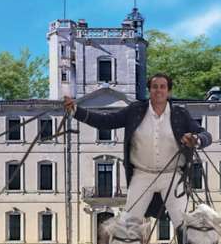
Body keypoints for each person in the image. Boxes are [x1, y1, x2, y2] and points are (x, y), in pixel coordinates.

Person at [64, 73, 211, 227]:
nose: (158, 90)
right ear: (149, 90)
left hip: (172, 176)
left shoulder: (181, 114)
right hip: (142, 175)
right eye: (154, 87)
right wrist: (76, 111)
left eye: (162, 87)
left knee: (184, 224)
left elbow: (205, 134)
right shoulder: (135, 111)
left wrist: (196, 139)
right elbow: (105, 121)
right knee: (128, 225)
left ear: (169, 91)